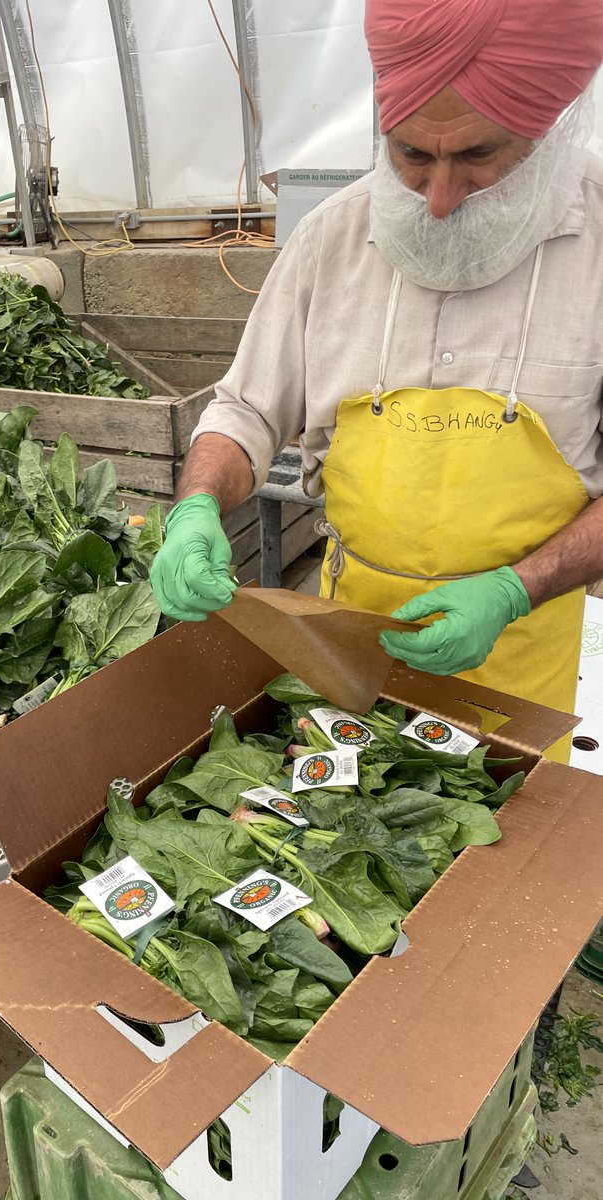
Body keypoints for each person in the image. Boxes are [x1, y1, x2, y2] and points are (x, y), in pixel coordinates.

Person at [150, 0, 603, 747]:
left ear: (546, 133)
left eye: (478, 157)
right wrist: (196, 507)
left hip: (520, 660)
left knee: (507, 851)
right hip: (347, 651)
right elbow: (245, 412)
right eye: (412, 155)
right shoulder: (330, 237)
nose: (439, 197)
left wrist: (513, 591)